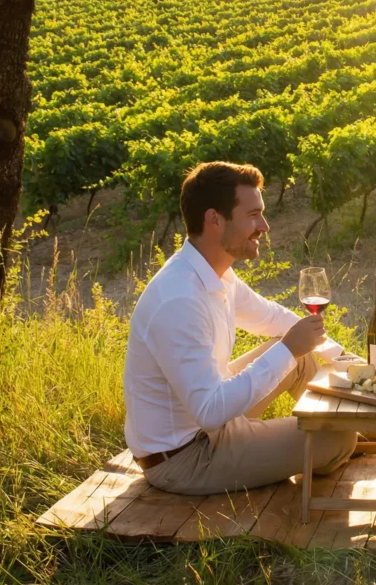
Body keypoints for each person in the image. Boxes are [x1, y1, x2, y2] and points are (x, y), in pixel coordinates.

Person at [123, 161, 356, 494]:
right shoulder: (179, 299)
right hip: (187, 456)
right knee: (339, 436)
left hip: (206, 424)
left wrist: (347, 359)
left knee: (300, 360)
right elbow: (209, 412)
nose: (264, 225)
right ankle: (334, 443)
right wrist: (288, 349)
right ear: (214, 220)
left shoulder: (212, 273)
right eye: (252, 215)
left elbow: (273, 318)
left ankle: (346, 432)